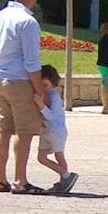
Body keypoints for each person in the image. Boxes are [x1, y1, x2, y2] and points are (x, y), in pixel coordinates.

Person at [0, 0, 48, 195]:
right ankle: (20, 180)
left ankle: (1, 179)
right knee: (24, 132)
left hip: (0, 77)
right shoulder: (28, 22)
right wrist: (39, 89)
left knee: (4, 129)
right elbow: (31, 61)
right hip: (20, 80)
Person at [36, 65, 78, 194]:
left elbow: (51, 117)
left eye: (46, 85)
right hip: (45, 131)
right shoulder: (42, 95)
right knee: (41, 157)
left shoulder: (54, 97)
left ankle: (65, 178)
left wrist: (41, 105)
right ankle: (65, 175)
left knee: (59, 155)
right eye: (41, 85)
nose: (43, 88)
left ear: (53, 85)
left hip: (56, 131)